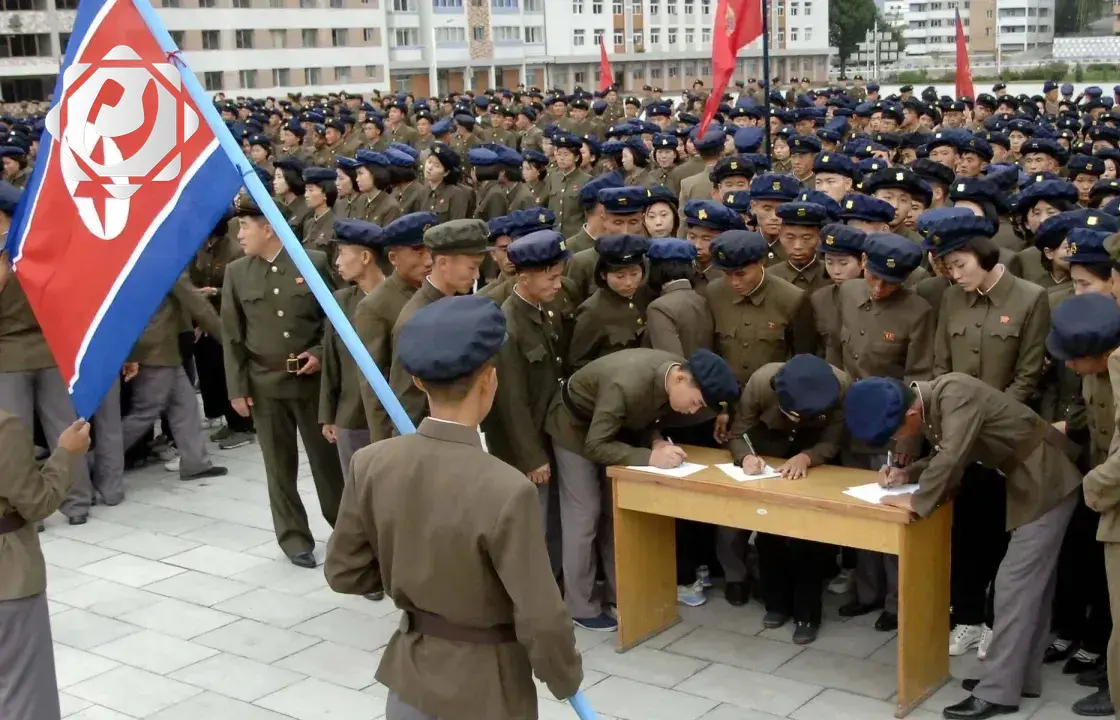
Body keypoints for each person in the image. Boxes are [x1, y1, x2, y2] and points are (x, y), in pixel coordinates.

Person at [325, 294, 584, 720]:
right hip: (486, 691)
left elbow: (344, 571)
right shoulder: (506, 488)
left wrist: (414, 581)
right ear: (490, 380)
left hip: (410, 680)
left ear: (418, 382)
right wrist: (564, 678)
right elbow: (542, 618)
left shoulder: (370, 463)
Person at [844, 369, 1081, 720]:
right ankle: (1018, 679)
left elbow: (953, 456)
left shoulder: (954, 393)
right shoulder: (937, 403)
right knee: (1031, 589)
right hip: (1033, 480)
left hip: (1048, 482)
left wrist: (917, 500)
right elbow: (951, 452)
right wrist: (908, 473)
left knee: (1013, 587)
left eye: (895, 433)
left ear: (911, 413)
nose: (897, 441)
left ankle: (998, 692)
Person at [924, 212, 1051, 660]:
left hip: (1003, 440)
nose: (954, 275)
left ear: (983, 254)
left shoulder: (1031, 297)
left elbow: (1028, 375)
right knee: (965, 533)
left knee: (1001, 535)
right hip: (958, 439)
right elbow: (941, 366)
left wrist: (990, 427)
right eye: (947, 268)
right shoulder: (951, 297)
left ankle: (997, 623)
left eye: (960, 265)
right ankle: (967, 619)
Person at [544, 347, 740, 630]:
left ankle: (620, 595)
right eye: (696, 402)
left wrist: (656, 441)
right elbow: (595, 445)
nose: (693, 410)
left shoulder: (670, 376)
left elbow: (643, 415)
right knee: (584, 514)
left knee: (616, 511)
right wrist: (650, 457)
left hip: (613, 430)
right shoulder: (625, 384)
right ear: (681, 379)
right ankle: (580, 606)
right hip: (573, 429)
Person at [221, 195, 344, 569]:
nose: (239, 234)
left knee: (327, 465)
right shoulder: (237, 272)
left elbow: (334, 318)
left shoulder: (312, 262)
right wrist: (237, 388)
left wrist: (319, 353)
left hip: (311, 383)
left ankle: (347, 533)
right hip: (264, 383)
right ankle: (293, 537)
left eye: (245, 226)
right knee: (278, 465)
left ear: (268, 228)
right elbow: (232, 335)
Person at [832, 232, 934, 632]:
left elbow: (919, 378)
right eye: (874, 277)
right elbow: (836, 354)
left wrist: (908, 437)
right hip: (849, 421)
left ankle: (896, 600)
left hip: (892, 427)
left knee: (889, 513)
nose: (878, 288)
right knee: (858, 514)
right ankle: (866, 591)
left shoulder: (918, 311)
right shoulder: (847, 293)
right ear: (862, 262)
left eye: (890, 283)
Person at [726, 354, 851, 643]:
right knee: (769, 532)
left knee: (809, 539)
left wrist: (808, 457)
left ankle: (807, 615)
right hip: (769, 457)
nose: (797, 419)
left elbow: (833, 440)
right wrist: (746, 457)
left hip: (813, 461)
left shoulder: (841, 387)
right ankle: (776, 604)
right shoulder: (761, 382)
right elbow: (738, 433)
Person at [0, 413, 91, 720]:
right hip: (7, 576)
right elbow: (37, 502)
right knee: (25, 696)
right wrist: (67, 454)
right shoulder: (3, 427)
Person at [387, 219, 491, 429]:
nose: (476, 275)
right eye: (472, 267)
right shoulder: (416, 320)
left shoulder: (454, 304)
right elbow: (408, 401)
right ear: (443, 263)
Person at [319, 220, 386, 485]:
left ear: (366, 257)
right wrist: (328, 415)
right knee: (357, 489)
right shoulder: (341, 302)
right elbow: (331, 361)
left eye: (342, 253)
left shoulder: (399, 298)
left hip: (393, 415)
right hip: (352, 415)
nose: (337, 262)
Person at [568, 234, 651, 371]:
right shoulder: (592, 312)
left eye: (634, 274)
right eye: (620, 276)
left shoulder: (644, 296)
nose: (629, 282)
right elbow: (577, 363)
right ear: (603, 275)